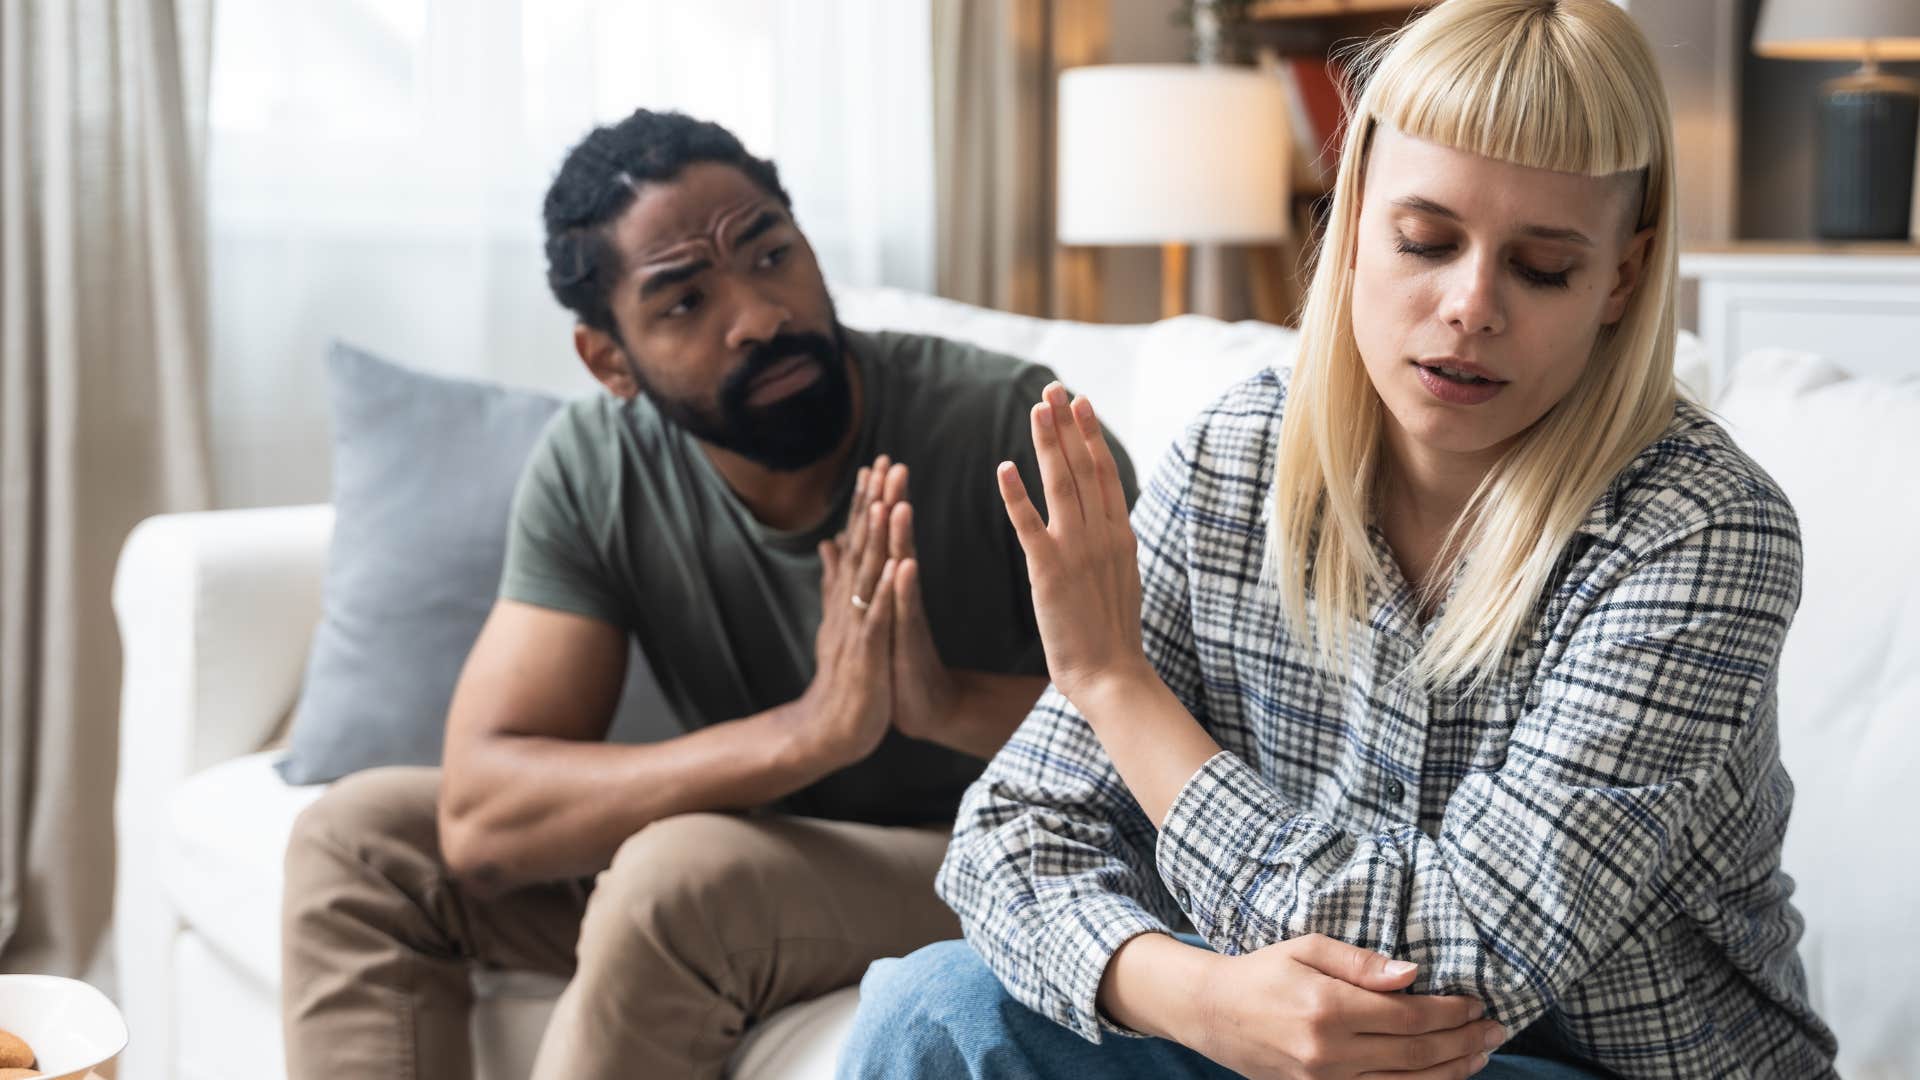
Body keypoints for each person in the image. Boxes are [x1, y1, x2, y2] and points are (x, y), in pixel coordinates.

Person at [837, 1, 1841, 1077]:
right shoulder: (1238, 457)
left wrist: (1120, 690)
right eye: (1426, 240)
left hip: (1603, 1070)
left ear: (1623, 280)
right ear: (1356, 214)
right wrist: (1197, 996)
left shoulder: (1701, 533)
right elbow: (1011, 839)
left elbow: (1457, 960)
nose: (1469, 306)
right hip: (1286, 1043)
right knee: (934, 1008)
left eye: (1542, 267)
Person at [278, 109, 1136, 1079]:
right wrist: (809, 733)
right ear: (609, 360)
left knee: (677, 877)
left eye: (772, 255)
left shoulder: (1010, 426)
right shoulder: (600, 467)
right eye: (685, 303)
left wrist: (941, 704)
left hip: (995, 852)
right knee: (361, 843)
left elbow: (1198, 731)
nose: (761, 315)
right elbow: (484, 817)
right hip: (774, 847)